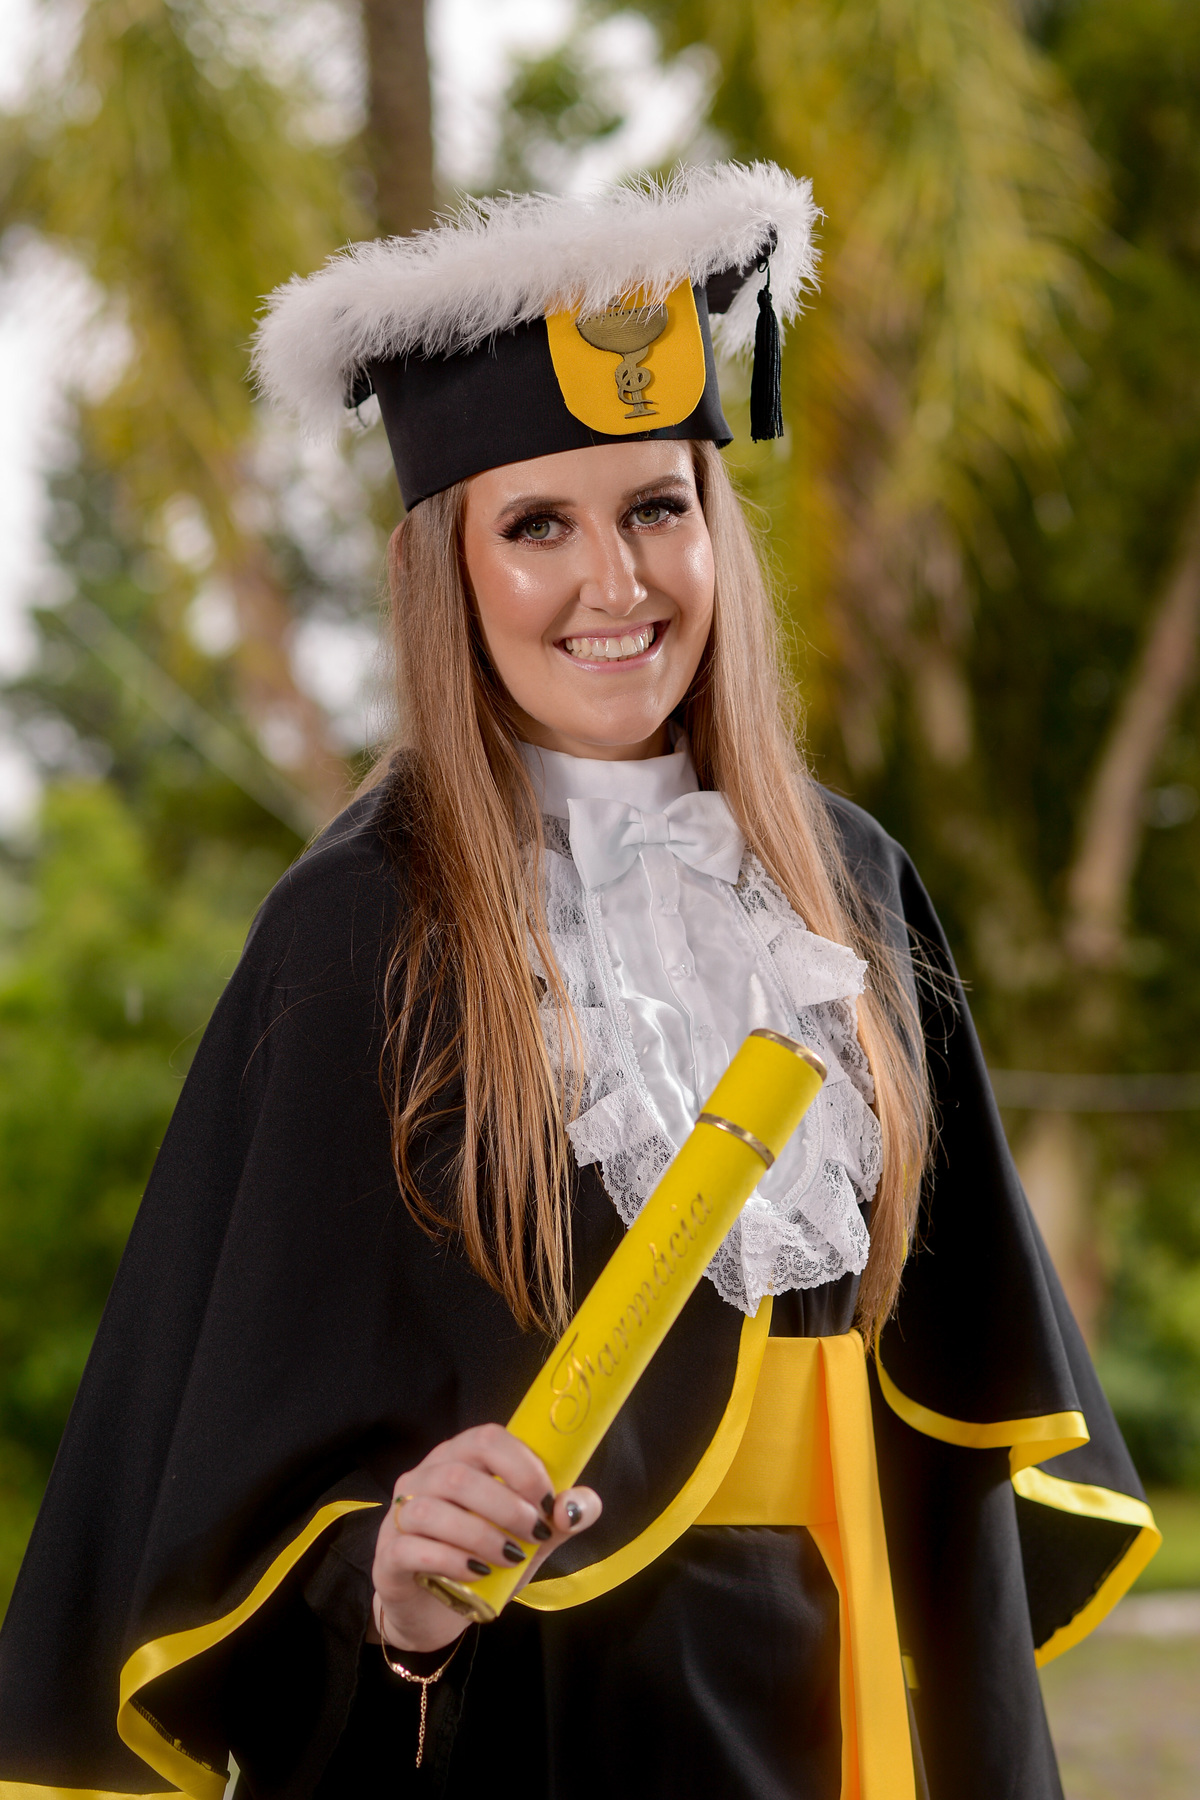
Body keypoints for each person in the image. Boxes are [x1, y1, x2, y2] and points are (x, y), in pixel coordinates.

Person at [0, 163, 1159, 1800]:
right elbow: (243, 1478)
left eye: (657, 509)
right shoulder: (359, 928)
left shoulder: (849, 882)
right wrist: (396, 1581)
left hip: (855, 1708)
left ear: (715, 526)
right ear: (448, 567)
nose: (617, 584)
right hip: (547, 1726)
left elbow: (952, 1418)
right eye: (538, 524)